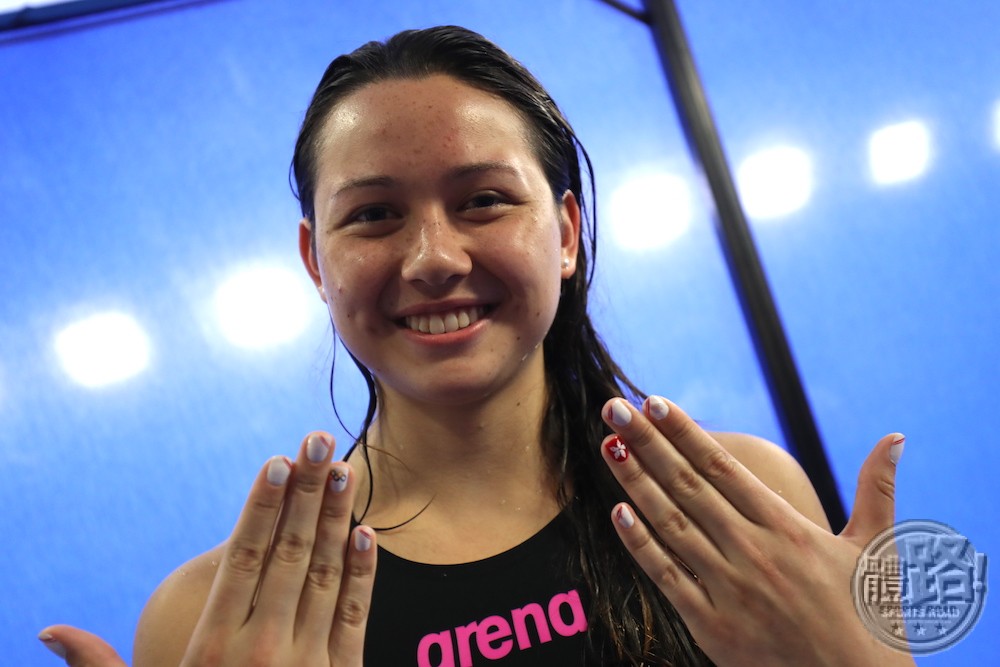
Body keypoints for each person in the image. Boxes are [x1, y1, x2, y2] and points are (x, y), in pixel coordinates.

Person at [39, 26, 915, 666]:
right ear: (316, 259)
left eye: (484, 200)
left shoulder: (741, 511)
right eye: (375, 214)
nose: (433, 260)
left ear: (566, 233)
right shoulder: (228, 617)